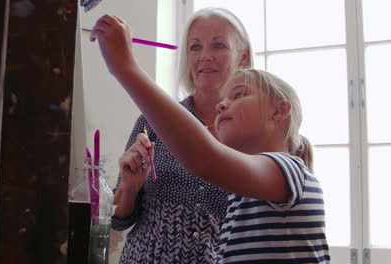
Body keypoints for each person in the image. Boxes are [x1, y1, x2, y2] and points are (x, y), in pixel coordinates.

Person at [90, 14, 330, 264]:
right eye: (195, 46)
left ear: (279, 111)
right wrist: (129, 187)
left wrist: (125, 67)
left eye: (239, 95)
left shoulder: (289, 170)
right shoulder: (245, 197)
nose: (223, 106)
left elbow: (206, 159)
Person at [102, 7, 253, 264]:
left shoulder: (253, 131)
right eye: (195, 47)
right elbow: (118, 220)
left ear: (243, 57)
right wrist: (129, 187)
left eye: (218, 45)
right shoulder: (153, 121)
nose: (205, 56)